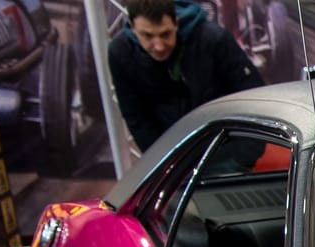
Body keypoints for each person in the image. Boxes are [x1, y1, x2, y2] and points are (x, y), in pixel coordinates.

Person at [108, 0, 262, 152]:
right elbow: (136, 117)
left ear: (176, 22)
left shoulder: (213, 39)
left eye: (165, 34)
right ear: (132, 26)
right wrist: (161, 162)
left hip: (226, 148)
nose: (159, 46)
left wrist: (243, 155)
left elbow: (252, 97)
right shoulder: (121, 53)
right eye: (147, 36)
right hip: (170, 157)